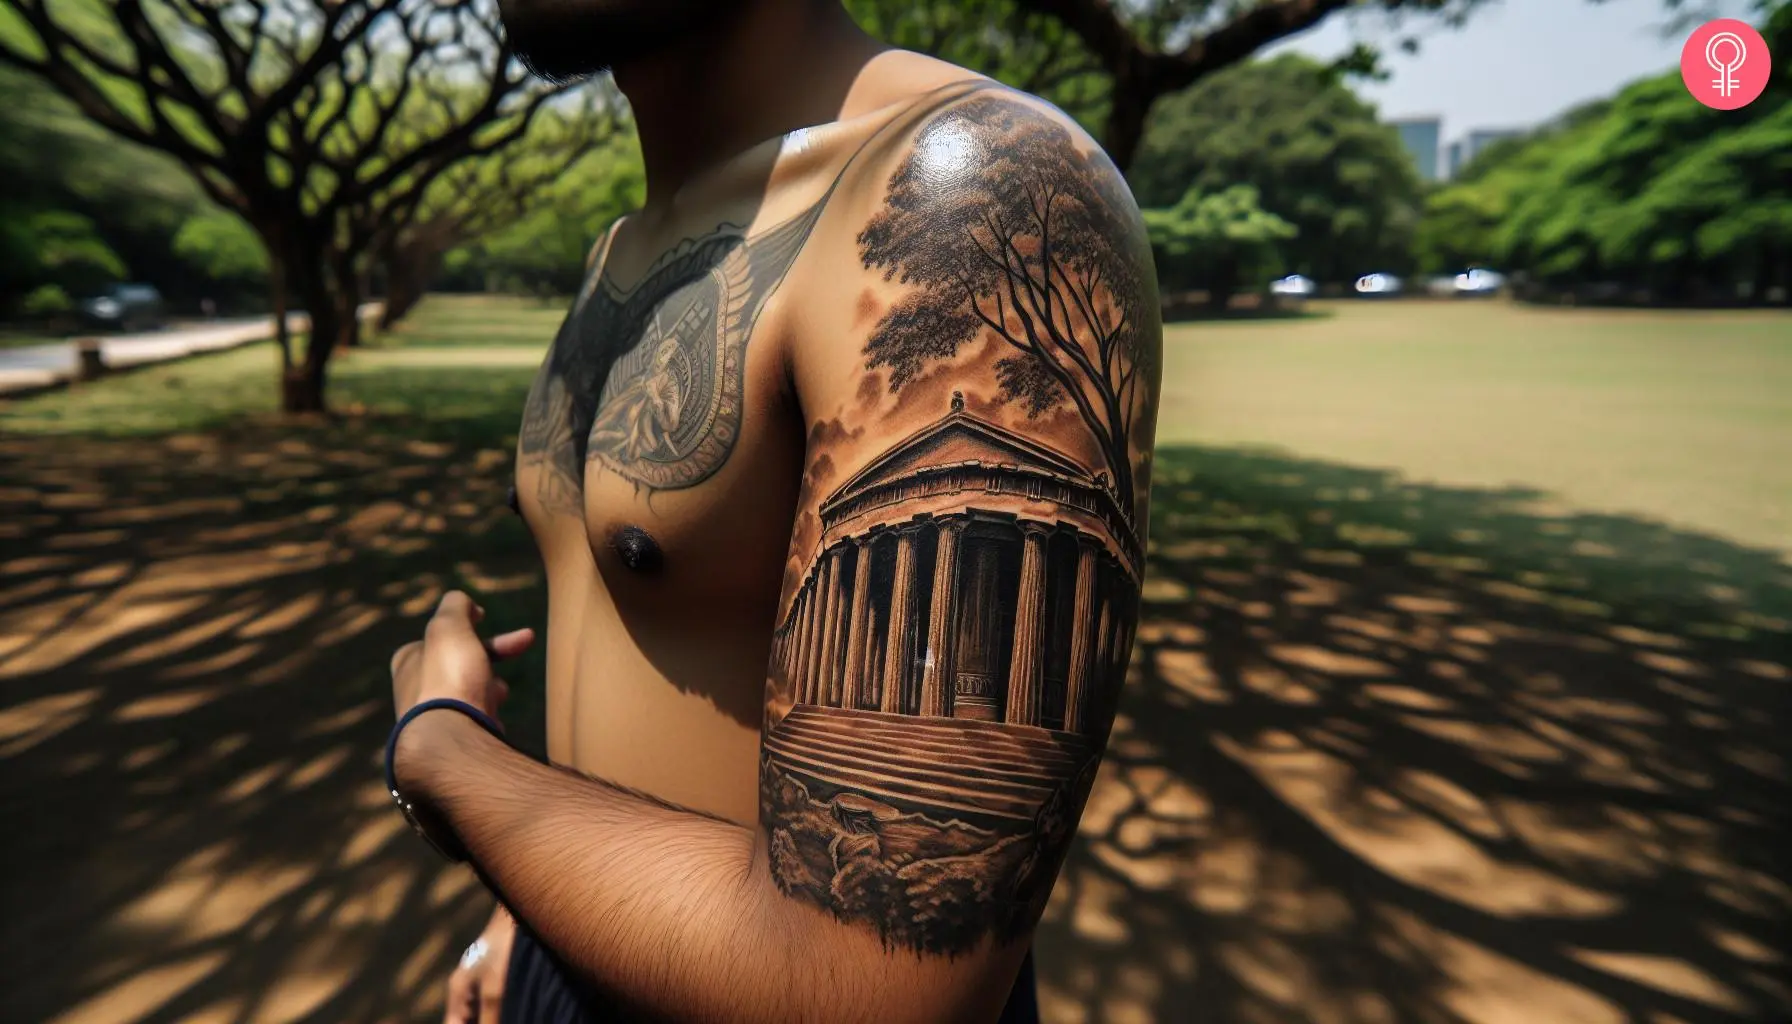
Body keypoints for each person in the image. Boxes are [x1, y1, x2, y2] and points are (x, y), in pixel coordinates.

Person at [383, 1, 1162, 1020]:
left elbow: (867, 991)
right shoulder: (627, 245)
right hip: (574, 940)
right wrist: (520, 914)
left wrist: (443, 752)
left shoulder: (968, 184)